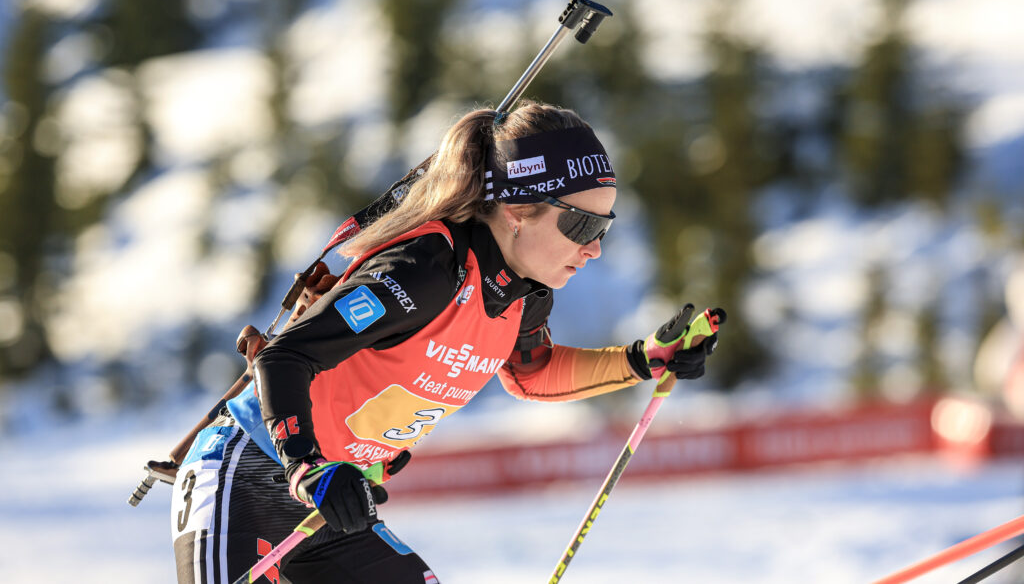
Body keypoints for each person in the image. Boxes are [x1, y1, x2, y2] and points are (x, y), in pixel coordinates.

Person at [171, 102, 724, 583]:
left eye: (603, 230)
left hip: (331, 508)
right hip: (249, 476)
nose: (594, 249)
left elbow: (531, 374)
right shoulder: (428, 269)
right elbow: (284, 356)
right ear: (516, 211)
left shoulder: (522, 293)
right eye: (581, 227)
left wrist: (641, 361)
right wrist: (307, 468)